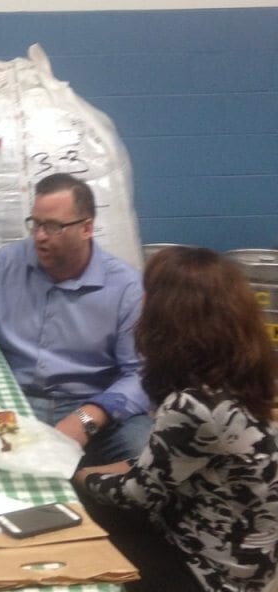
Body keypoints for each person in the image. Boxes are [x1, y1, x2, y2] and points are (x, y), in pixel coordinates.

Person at [74, 246, 278, 592]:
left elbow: (138, 494)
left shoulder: (193, 404)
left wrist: (77, 477)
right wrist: (104, 472)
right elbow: (162, 465)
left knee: (82, 547)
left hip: (210, 572)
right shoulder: (235, 378)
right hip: (246, 560)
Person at [0, 172, 151, 464]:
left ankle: (91, 498)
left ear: (86, 228)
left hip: (91, 406)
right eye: (36, 224)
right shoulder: (10, 262)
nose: (40, 236)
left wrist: (88, 417)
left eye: (54, 226)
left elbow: (141, 374)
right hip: (14, 398)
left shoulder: (127, 288)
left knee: (143, 454)